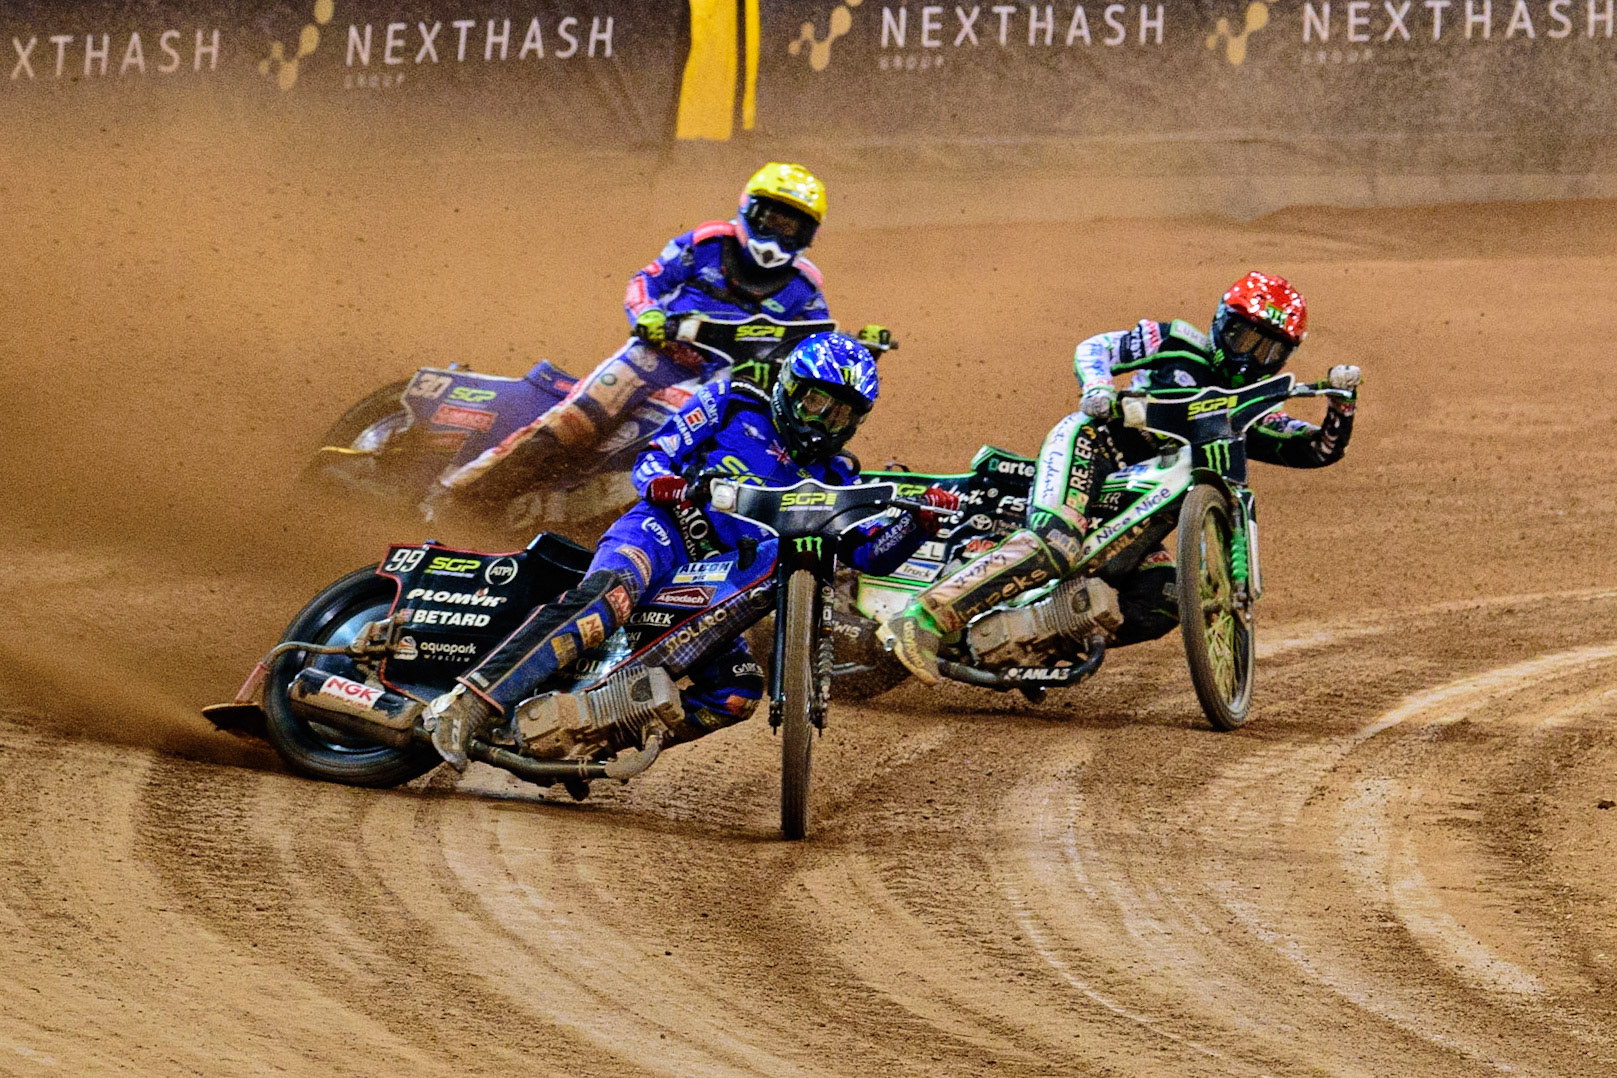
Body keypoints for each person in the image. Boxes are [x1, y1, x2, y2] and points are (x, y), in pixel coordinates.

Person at [425, 332, 959, 770]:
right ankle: (468, 704)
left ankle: (586, 743)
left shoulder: (836, 477)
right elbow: (656, 456)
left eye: (839, 415)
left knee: (737, 691)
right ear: (789, 389)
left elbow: (869, 555)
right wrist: (663, 483)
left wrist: (920, 521)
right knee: (608, 598)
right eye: (814, 402)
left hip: (718, 584)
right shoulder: (732, 406)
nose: (822, 421)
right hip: (663, 534)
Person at [880, 270, 1362, 684]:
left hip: (1136, 513)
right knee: (1056, 543)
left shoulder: (1249, 412)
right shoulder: (1175, 340)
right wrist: (1096, 387)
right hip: (1094, 447)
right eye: (1243, 339)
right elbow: (1097, 347)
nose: (1250, 358)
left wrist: (1342, 403)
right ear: (1220, 324)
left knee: (1166, 595)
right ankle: (922, 620)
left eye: (1268, 351)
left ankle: (1031, 642)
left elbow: (1318, 449)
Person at [435, 161, 885, 504]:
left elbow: (813, 344)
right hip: (659, 354)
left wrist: (861, 346)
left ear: (810, 235)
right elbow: (646, 280)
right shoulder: (705, 244)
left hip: (719, 378)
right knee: (577, 419)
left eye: (795, 228)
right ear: (751, 209)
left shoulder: (805, 286)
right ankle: (459, 492)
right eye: (773, 220)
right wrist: (646, 314)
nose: (780, 234)